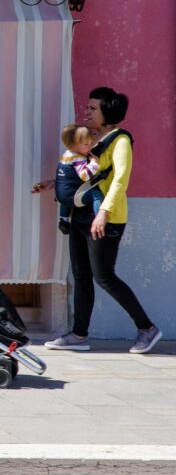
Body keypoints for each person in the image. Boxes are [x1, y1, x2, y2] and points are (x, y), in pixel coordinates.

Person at [45, 87, 161, 354]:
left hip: (104, 217)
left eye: (92, 108)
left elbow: (120, 179)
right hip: (81, 215)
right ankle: (78, 335)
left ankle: (147, 328)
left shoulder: (120, 141)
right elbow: (85, 176)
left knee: (104, 276)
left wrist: (104, 213)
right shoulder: (94, 139)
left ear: (107, 111)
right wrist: (55, 184)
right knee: (81, 276)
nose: (87, 112)